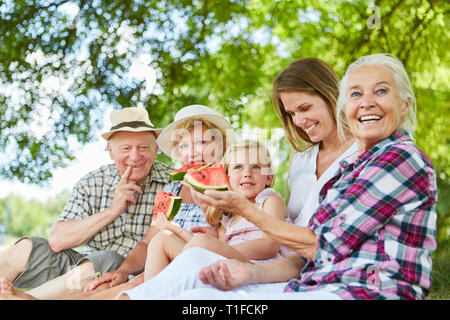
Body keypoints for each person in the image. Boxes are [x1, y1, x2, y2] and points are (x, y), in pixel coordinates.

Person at [115, 53, 437, 300]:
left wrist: (243, 218)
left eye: (305, 108)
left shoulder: (390, 160)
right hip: (302, 276)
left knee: (198, 288)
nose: (299, 121)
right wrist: (248, 272)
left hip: (347, 286)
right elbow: (296, 254)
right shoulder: (313, 164)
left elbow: (314, 246)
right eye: (292, 113)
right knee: (194, 273)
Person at [0, 104, 235, 300]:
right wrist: (114, 212)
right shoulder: (167, 188)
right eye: (125, 148)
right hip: (90, 264)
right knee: (28, 248)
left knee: (116, 271)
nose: (134, 157)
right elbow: (58, 240)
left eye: (143, 147)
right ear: (110, 151)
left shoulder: (207, 181)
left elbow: (234, 236)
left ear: (155, 150)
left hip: (157, 265)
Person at [143, 140, 289, 281]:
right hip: (223, 263)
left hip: (258, 270)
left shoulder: (269, 200)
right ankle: (152, 294)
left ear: (269, 178)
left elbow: (269, 246)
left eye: (256, 167)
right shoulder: (228, 216)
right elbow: (208, 248)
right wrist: (176, 230)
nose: (247, 173)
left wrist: (222, 249)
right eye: (238, 167)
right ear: (227, 179)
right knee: (162, 238)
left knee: (202, 242)